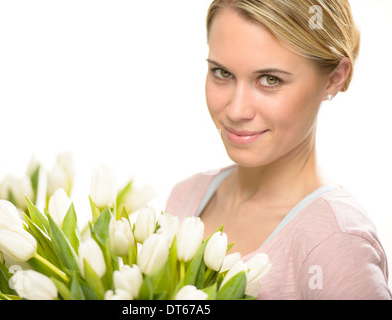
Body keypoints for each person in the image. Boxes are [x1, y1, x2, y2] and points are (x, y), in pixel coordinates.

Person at [165, 0, 391, 299]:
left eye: (270, 80)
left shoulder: (335, 243)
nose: (236, 110)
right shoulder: (186, 198)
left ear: (335, 77)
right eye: (222, 73)